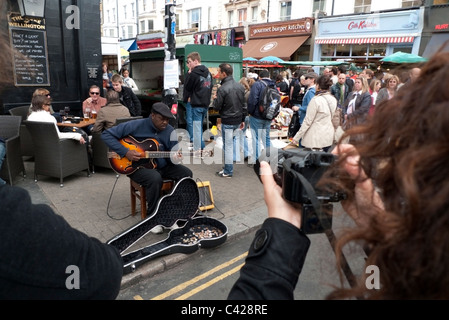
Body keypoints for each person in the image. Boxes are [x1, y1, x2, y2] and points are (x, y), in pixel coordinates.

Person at [230, 51, 449, 300]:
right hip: (324, 140)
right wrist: (379, 231)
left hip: (312, 139)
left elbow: (309, 121)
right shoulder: (431, 275)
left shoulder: (316, 99)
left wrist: (280, 236)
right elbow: (385, 288)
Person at [0, 1, 123, 298]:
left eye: (96, 92)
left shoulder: (34, 116)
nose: (93, 95)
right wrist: (76, 134)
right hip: (61, 143)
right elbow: (99, 274)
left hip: (46, 149)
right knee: (82, 138)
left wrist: (76, 124)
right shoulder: (16, 228)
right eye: (92, 93)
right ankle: (88, 164)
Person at [101, 102, 192, 234]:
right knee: (155, 178)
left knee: (186, 174)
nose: (165, 122)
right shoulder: (136, 125)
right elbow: (106, 135)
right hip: (137, 167)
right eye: (162, 119)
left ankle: (174, 212)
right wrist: (125, 152)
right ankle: (152, 218)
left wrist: (176, 158)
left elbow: (173, 155)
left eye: (168, 119)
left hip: (162, 165)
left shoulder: (170, 131)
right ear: (153, 116)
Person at [212, 63, 246, 178]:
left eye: (219, 72)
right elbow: (244, 105)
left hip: (228, 119)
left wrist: (215, 99)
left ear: (224, 73)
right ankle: (228, 167)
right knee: (231, 144)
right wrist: (242, 119)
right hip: (237, 119)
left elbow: (217, 107)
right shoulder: (240, 86)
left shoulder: (222, 89)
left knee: (228, 146)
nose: (218, 74)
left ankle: (228, 171)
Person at [290, 75, 338, 152]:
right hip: (328, 135)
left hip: (315, 137)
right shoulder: (333, 99)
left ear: (318, 85)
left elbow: (308, 121)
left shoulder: (315, 100)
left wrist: (296, 137)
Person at [182, 51, 213, 151]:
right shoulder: (208, 72)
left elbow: (187, 87)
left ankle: (198, 149)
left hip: (196, 104)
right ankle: (200, 148)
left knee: (196, 128)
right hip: (205, 104)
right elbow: (210, 87)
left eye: (189, 61)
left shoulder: (194, 73)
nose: (188, 64)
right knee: (198, 127)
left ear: (196, 61)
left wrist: (189, 74)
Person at [247, 69, 274, 163]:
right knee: (266, 138)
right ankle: (270, 158)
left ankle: (258, 161)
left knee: (256, 138)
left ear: (259, 77)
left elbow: (252, 100)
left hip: (257, 116)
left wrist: (250, 112)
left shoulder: (257, 84)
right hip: (269, 116)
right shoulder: (273, 85)